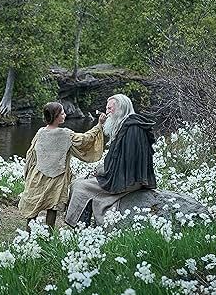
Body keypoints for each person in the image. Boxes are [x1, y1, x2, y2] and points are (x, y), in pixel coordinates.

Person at [65, 94, 157, 227]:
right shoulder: (126, 125)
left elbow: (128, 163)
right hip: (124, 177)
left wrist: (103, 172)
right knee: (79, 181)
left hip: (129, 181)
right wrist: (102, 170)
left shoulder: (133, 129)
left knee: (80, 186)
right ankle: (84, 226)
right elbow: (119, 160)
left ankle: (80, 227)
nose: (107, 112)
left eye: (110, 108)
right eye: (106, 108)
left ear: (121, 109)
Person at [18, 102, 106, 231]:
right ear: (56, 116)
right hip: (57, 177)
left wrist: (28, 173)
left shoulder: (40, 132)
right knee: (52, 207)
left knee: (34, 205)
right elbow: (85, 139)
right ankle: (48, 234)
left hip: (38, 176)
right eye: (62, 113)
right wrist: (99, 125)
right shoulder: (66, 134)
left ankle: (29, 234)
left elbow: (31, 155)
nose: (65, 115)